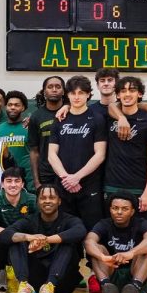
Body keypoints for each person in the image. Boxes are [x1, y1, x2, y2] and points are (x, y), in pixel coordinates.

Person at [0, 184, 85, 293]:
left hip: (61, 283)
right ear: (37, 202)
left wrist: (46, 240)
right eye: (43, 198)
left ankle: (49, 286)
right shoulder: (30, 220)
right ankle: (24, 285)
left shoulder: (69, 220)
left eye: (52, 197)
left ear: (59, 201)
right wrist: (29, 237)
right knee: (16, 240)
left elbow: (80, 231)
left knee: (67, 243)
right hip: (35, 281)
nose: (47, 201)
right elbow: (4, 235)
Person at [47, 75, 107, 230]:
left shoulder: (97, 118)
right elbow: (51, 154)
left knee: (93, 233)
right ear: (67, 95)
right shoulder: (60, 119)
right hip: (63, 186)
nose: (77, 97)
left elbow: (100, 154)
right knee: (67, 234)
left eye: (81, 93)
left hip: (89, 186)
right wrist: (66, 178)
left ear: (88, 94)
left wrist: (77, 177)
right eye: (73, 93)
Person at [86, 194, 147, 293]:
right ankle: (106, 286)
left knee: (145, 251)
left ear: (132, 211)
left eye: (125, 209)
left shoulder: (141, 223)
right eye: (115, 208)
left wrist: (131, 253)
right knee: (96, 249)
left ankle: (134, 289)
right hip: (112, 276)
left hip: (135, 276)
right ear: (110, 209)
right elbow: (88, 242)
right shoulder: (104, 224)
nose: (119, 212)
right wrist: (103, 257)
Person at [103, 76, 147, 215]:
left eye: (132, 90)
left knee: (140, 232)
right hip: (111, 186)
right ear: (117, 94)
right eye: (123, 91)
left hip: (138, 187)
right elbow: (111, 106)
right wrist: (121, 117)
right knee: (110, 231)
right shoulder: (110, 117)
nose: (127, 94)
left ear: (139, 94)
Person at [0, 167, 37, 293]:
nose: (13, 185)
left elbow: (38, 225)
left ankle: (23, 280)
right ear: (2, 184)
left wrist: (22, 237)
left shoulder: (32, 199)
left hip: (25, 242)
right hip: (2, 242)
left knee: (19, 243)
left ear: (23, 184)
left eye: (17, 181)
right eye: (8, 181)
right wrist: (14, 235)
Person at [26, 75, 65, 190]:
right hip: (46, 175)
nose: (54, 89)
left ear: (63, 91)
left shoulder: (70, 113)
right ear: (44, 92)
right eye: (50, 87)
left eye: (58, 86)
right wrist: (37, 181)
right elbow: (34, 151)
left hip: (68, 173)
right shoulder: (36, 116)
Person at [0, 90, 33, 185]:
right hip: (5, 179)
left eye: (17, 105)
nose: (13, 107)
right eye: (10, 105)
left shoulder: (30, 127)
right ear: (5, 107)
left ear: (23, 108)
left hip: (28, 177)